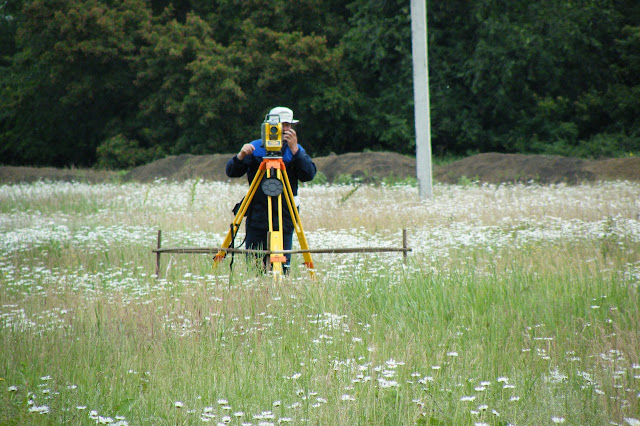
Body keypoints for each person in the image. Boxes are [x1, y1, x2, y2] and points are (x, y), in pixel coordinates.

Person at [226, 106, 316, 273]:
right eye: (283, 125)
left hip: (285, 215)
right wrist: (240, 156)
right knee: (255, 266)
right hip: (258, 216)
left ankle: (280, 290)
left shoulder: (296, 150)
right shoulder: (255, 149)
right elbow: (232, 171)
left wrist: (296, 151)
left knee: (282, 267)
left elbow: (308, 174)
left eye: (289, 125)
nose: (287, 129)